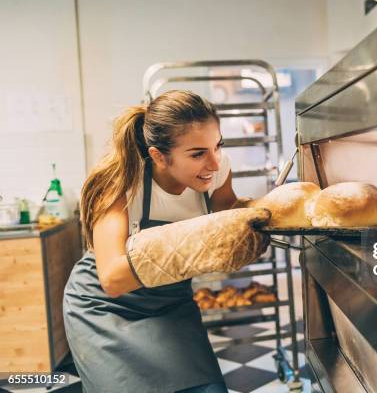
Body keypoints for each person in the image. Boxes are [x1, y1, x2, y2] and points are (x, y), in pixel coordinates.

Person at [63, 90, 271, 393]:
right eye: (198, 153)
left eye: (218, 146)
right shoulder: (120, 183)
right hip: (105, 308)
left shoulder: (218, 170)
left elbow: (227, 222)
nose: (214, 163)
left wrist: (265, 216)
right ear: (159, 156)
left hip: (172, 302)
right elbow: (112, 279)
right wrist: (197, 245)